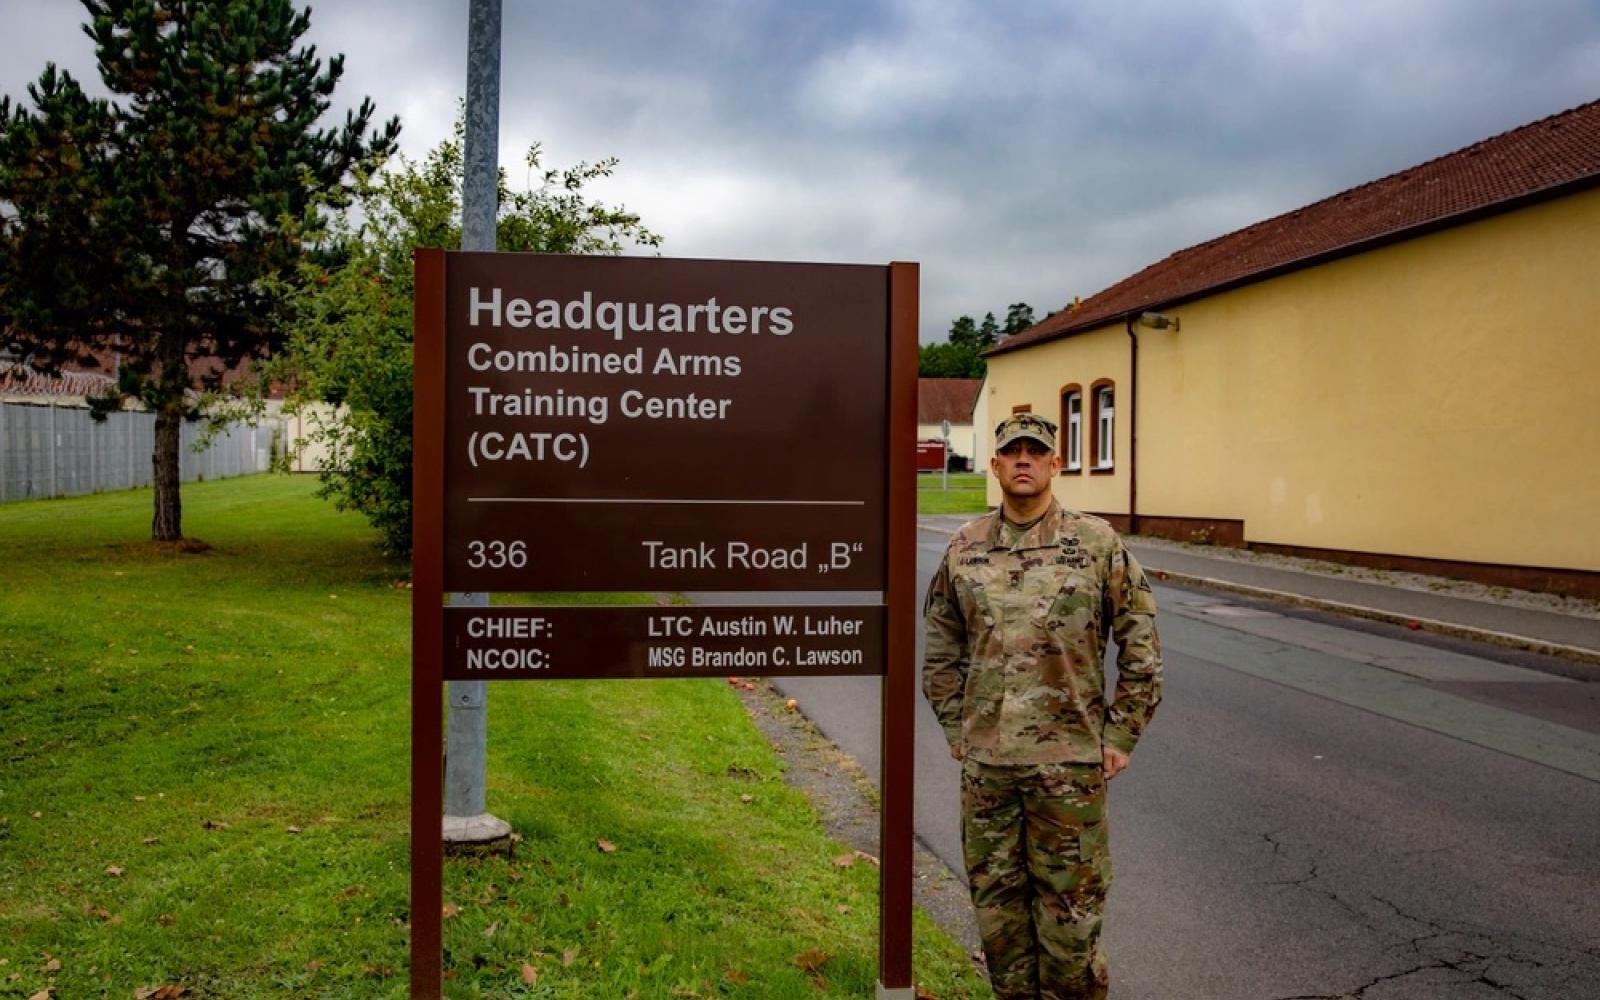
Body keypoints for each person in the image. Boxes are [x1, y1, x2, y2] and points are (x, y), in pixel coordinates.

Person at [922, 412, 1163, 1000]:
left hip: (1069, 767)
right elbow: (939, 646)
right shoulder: (966, 547)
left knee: (1070, 916)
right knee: (998, 912)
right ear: (996, 464)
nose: (1023, 460)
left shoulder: (1097, 544)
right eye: (1013, 452)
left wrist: (1121, 734)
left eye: (1036, 451)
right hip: (989, 771)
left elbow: (1141, 645)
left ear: (1056, 464)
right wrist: (958, 727)